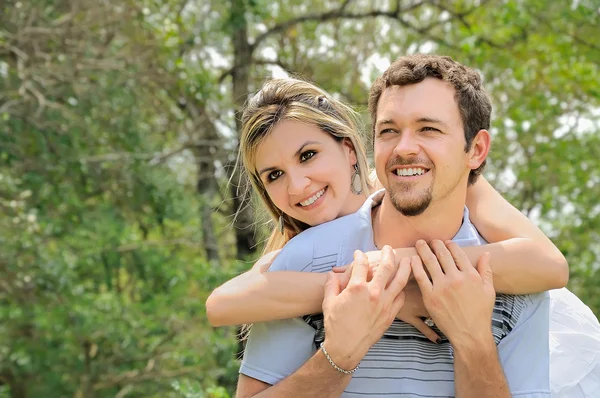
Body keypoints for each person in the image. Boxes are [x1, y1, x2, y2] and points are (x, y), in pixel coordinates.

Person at [206, 56, 599, 396]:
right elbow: (223, 303)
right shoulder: (300, 253)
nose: (297, 185)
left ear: (348, 149)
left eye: (308, 155)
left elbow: (549, 265)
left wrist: (403, 272)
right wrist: (386, 299)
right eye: (273, 175)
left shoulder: (460, 200)